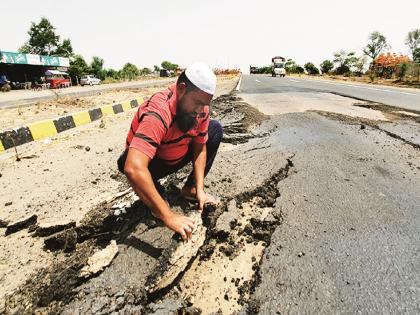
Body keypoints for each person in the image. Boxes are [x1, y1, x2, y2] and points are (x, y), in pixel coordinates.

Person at [118, 62, 223, 241]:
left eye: (204, 104)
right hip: (153, 164)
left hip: (176, 155)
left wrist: (200, 189)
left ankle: (189, 189)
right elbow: (134, 167)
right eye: (197, 103)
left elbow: (199, 147)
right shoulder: (159, 111)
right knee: (130, 162)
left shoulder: (201, 109)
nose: (200, 110)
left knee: (215, 129)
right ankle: (154, 189)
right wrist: (169, 216)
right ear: (181, 89)